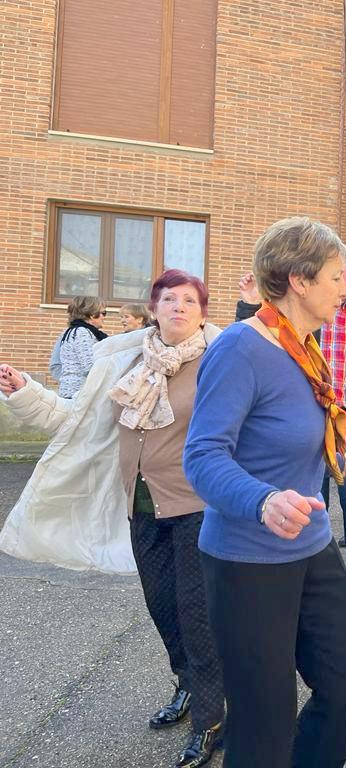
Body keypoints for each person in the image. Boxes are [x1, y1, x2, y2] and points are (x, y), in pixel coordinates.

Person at [1, 270, 225, 768]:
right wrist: (24, 390)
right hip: (141, 505)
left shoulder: (218, 362)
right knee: (163, 607)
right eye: (169, 299)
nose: (179, 307)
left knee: (197, 615)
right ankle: (188, 687)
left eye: (190, 300)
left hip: (198, 507)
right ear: (155, 308)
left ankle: (214, 717)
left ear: (203, 312)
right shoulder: (125, 360)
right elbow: (72, 420)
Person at [183, 217, 346, 768]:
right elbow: (202, 456)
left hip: (311, 546)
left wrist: (334, 456)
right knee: (262, 727)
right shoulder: (242, 347)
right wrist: (264, 499)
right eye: (337, 276)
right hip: (247, 560)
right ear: (299, 279)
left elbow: (281, 434)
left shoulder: (305, 346)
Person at [238, 249, 346, 604]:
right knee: (306, 494)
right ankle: (297, 573)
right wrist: (248, 306)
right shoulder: (306, 316)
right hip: (307, 422)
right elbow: (258, 339)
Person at [57, 295, 108, 397]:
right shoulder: (82, 332)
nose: (104, 317)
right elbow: (89, 366)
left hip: (73, 390)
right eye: (103, 313)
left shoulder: (74, 330)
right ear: (92, 314)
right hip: (77, 392)